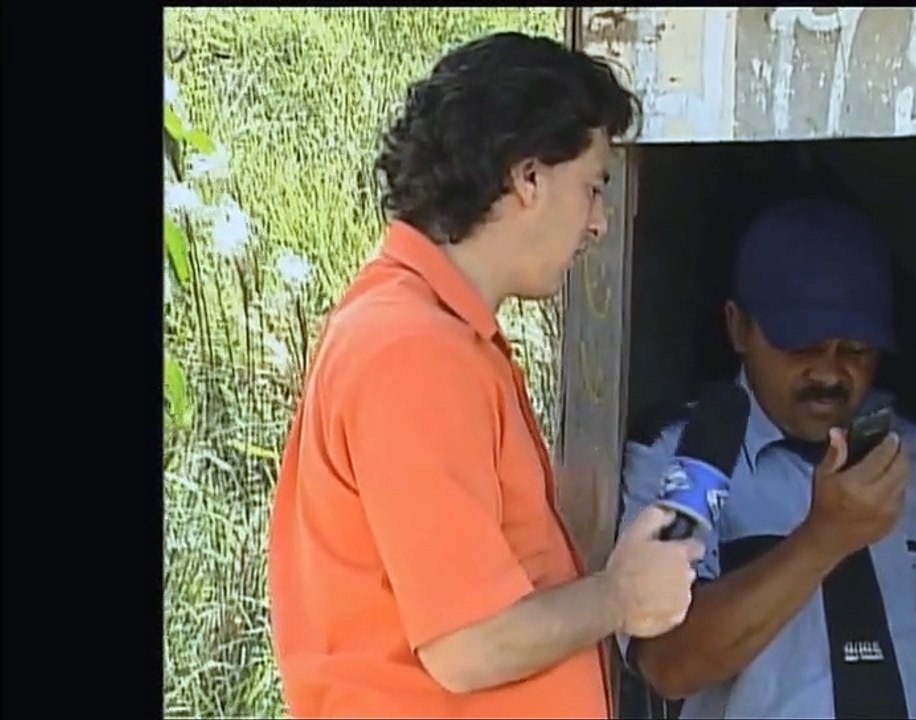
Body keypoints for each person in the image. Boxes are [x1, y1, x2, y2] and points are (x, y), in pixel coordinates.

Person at [266, 32, 702, 720]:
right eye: (592, 188)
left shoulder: (431, 333)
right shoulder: (413, 350)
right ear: (528, 178)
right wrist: (621, 594)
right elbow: (468, 644)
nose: (599, 222)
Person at [618, 197, 916, 719]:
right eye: (801, 345)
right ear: (738, 327)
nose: (828, 373)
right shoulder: (684, 457)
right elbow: (668, 663)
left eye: (856, 350)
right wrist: (825, 538)